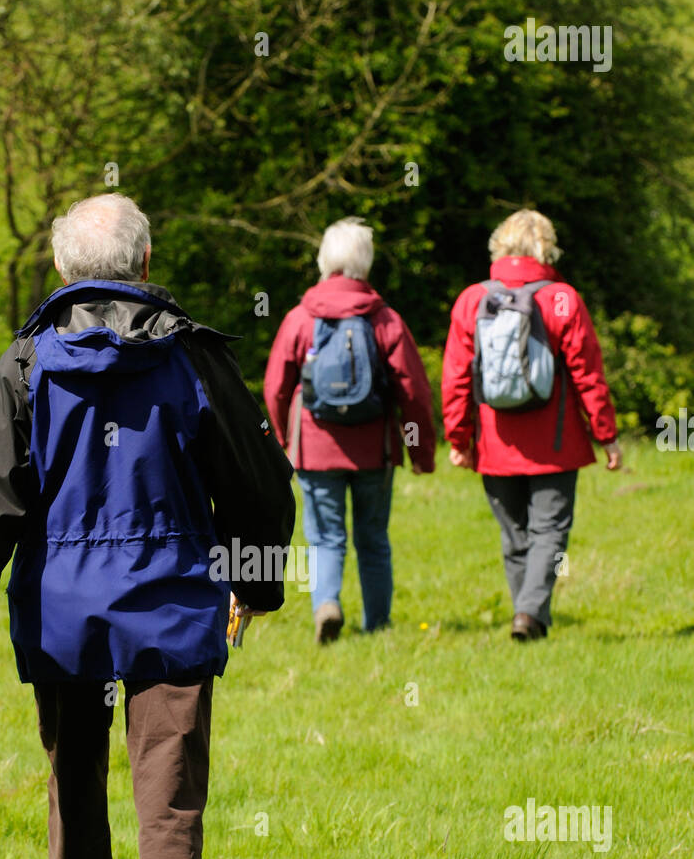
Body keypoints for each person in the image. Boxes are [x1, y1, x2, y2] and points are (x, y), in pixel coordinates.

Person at [0, 193, 295, 859]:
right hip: (169, 616)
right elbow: (258, 478)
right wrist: (257, 585)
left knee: (75, 790)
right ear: (147, 264)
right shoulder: (192, 361)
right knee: (169, 811)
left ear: (61, 269)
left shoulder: (24, 366)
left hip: (65, 623)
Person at [442, 209, 621, 641]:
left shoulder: (472, 299)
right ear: (546, 246)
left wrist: (459, 437)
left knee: (515, 535)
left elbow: (456, 377)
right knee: (549, 532)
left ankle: (527, 615)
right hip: (555, 445)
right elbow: (588, 375)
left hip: (494, 442)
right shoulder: (563, 299)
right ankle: (529, 615)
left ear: (499, 245)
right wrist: (606, 435)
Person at [264, 217, 435, 643]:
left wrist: (283, 442)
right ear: (366, 262)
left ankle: (327, 605)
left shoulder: (300, 318)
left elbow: (275, 388)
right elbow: (413, 393)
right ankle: (377, 625)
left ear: (324, 260)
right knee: (373, 537)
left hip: (315, 450)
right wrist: (420, 452)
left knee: (324, 536)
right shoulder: (385, 320)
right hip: (374, 449)